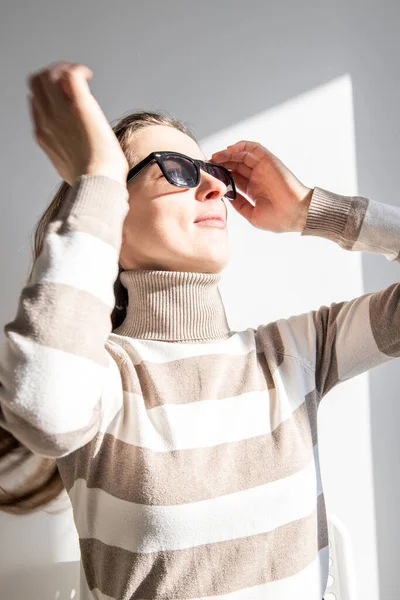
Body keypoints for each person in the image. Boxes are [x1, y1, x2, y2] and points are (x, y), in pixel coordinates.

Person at [0, 60, 398, 600]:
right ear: (110, 210)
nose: (213, 185)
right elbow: (40, 409)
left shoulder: (297, 350)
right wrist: (94, 180)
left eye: (214, 172)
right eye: (176, 170)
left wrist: (316, 211)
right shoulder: (101, 376)